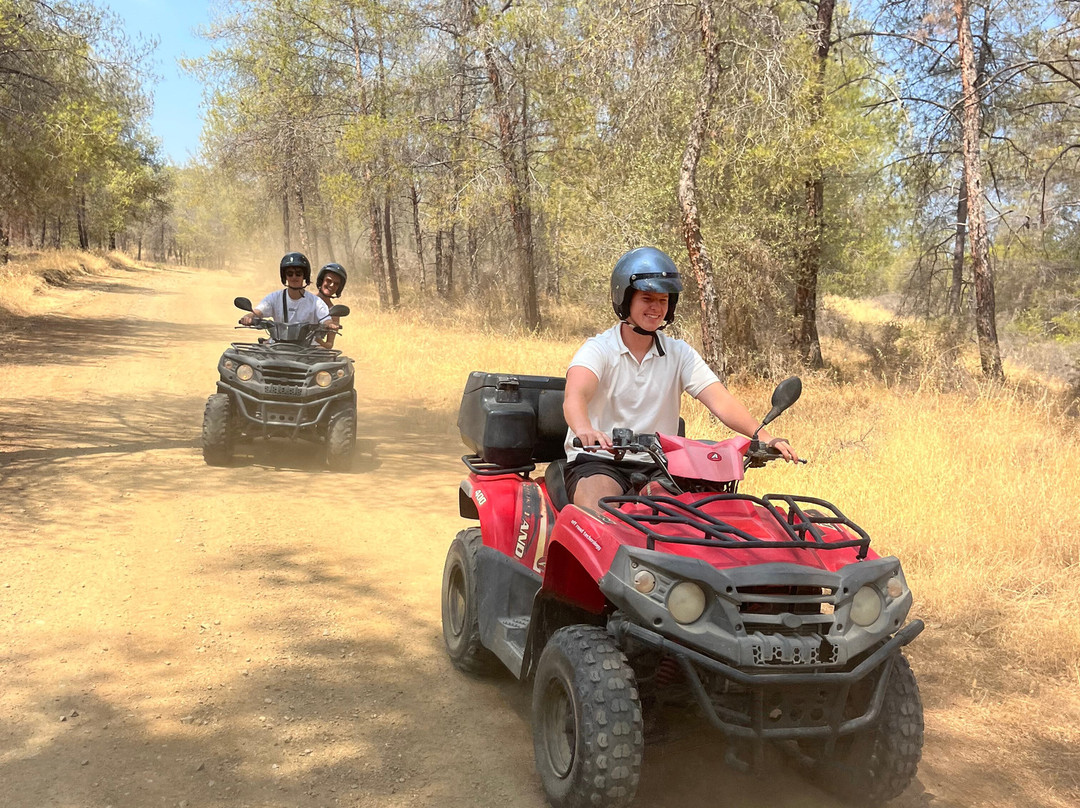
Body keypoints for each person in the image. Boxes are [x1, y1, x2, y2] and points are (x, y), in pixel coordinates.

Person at [562, 246, 799, 510]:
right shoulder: (599, 349)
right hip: (598, 461)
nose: (656, 308)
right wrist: (584, 429)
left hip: (657, 464)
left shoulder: (678, 353)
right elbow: (575, 395)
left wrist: (763, 436)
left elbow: (719, 400)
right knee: (601, 513)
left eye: (663, 300)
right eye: (647, 299)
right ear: (625, 298)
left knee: (690, 523)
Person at [240, 252, 336, 334]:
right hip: (278, 346)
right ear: (284, 276)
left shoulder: (316, 302)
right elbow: (259, 311)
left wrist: (329, 324)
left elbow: (325, 318)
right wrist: (249, 316)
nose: (294, 277)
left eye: (298, 273)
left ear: (304, 276)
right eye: (290, 274)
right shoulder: (274, 298)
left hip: (308, 349)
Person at [312, 262, 347, 348]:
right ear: (322, 281)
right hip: (293, 347)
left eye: (336, 283)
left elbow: (329, 344)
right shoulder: (307, 300)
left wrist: (318, 341)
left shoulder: (334, 312)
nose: (331, 285)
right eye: (328, 281)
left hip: (313, 353)